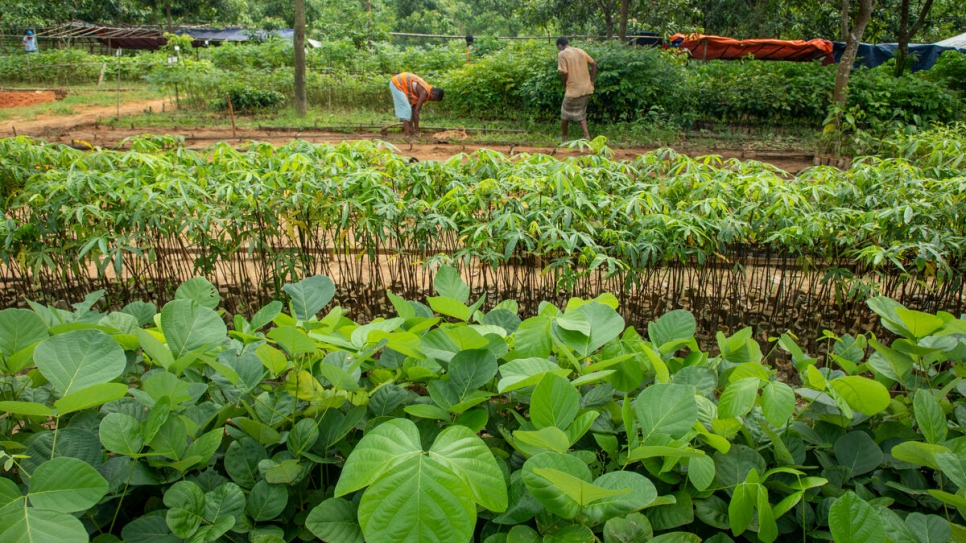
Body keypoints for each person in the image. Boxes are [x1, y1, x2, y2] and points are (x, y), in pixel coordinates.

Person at [556, 37, 597, 140]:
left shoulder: (562, 54)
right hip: (585, 88)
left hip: (573, 89)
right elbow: (594, 64)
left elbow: (564, 72)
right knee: (581, 113)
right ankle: (586, 135)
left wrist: (564, 84)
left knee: (565, 113)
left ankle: (564, 136)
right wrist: (591, 80)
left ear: (560, 45)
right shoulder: (580, 51)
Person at [390, 72, 444, 138]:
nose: (432, 101)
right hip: (397, 83)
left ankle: (410, 130)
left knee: (409, 110)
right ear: (433, 94)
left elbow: (414, 109)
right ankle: (406, 136)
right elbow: (416, 112)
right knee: (406, 109)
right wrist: (417, 130)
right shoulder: (424, 93)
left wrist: (413, 128)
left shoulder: (426, 91)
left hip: (400, 84)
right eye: (434, 99)